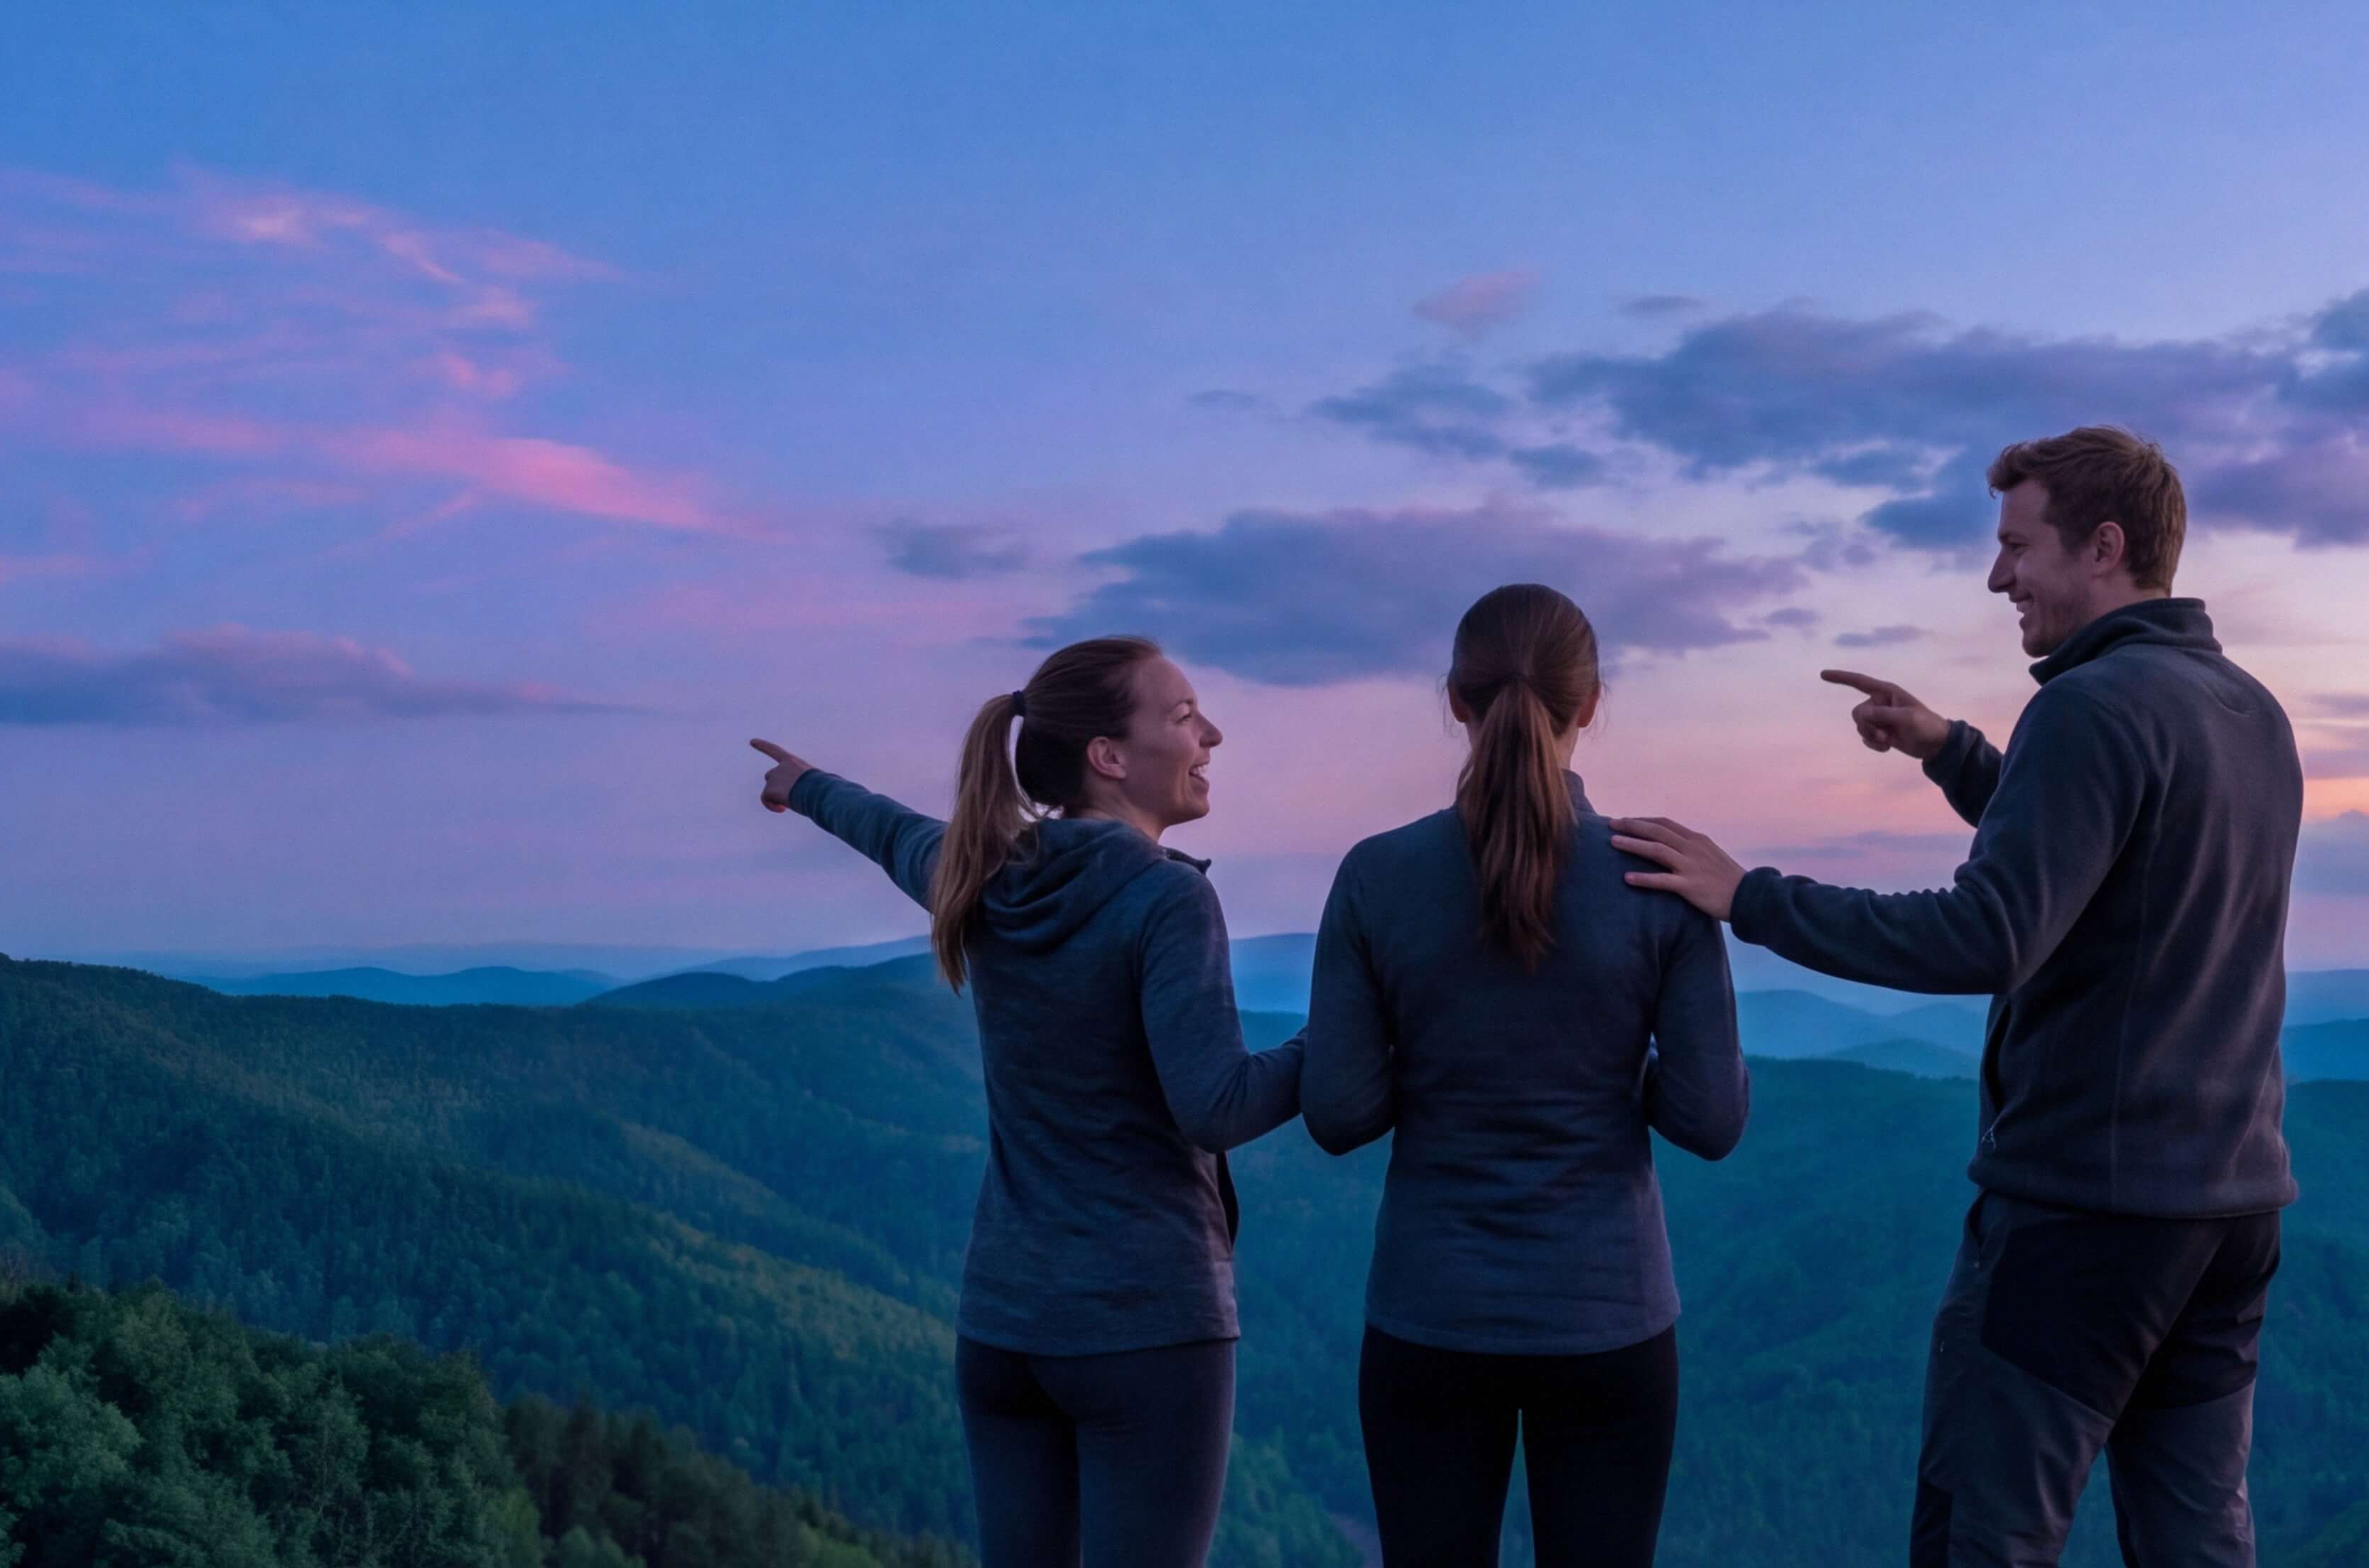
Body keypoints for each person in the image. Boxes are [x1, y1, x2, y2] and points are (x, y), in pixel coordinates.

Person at [1609, 427, 2299, 1568]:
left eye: (2016, 545)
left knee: (1986, 1535)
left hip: (2085, 1214)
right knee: (2196, 1539)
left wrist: (1753, 898)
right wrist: (1954, 752)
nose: (1996, 577)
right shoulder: (2245, 712)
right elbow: (2108, 864)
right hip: (2231, 1213)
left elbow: (1992, 930)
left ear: (2105, 547)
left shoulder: (2091, 707)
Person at [748, 634, 1300, 1568]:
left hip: (1005, 1333)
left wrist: (806, 786)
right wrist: (1378, 1022)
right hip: (1146, 1330)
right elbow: (1217, 1105)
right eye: (1182, 716)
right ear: (1108, 757)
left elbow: (892, 832)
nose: (1212, 734)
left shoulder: (984, 875)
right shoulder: (1165, 901)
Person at [1300, 583, 1751, 1568]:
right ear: (1590, 704)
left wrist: (1436, 1061)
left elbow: (1337, 1112)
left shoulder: (1377, 876)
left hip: (1430, 1315)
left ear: (1454, 701)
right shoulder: (1656, 882)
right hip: (1608, 1323)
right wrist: (1607, 1076)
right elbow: (1711, 1120)